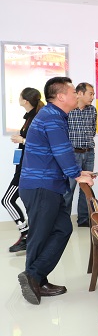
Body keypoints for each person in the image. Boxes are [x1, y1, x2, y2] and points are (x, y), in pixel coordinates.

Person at [18, 76, 95, 304]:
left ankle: (35, 276)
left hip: (47, 185)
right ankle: (34, 280)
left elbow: (57, 151)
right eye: (72, 92)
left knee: (62, 229)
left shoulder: (54, 115)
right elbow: (61, 150)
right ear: (61, 96)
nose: (76, 95)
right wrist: (77, 174)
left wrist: (77, 172)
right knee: (40, 235)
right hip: (41, 186)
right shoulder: (52, 117)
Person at [3, 88, 44, 253]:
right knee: (24, 202)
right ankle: (27, 234)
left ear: (25, 100)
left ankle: (26, 234)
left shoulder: (36, 118)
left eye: (20, 96)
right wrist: (21, 139)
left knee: (7, 200)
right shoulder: (30, 117)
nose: (18, 98)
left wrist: (23, 140)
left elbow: (42, 144)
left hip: (27, 167)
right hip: (24, 165)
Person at [63, 82, 97, 227]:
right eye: (90, 94)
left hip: (89, 153)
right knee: (68, 188)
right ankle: (63, 221)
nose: (92, 97)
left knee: (86, 187)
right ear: (80, 93)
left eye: (93, 94)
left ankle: (84, 219)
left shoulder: (92, 110)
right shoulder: (69, 110)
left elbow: (93, 130)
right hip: (73, 154)